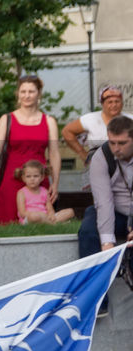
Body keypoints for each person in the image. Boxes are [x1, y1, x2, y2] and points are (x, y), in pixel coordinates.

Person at [0, 75, 62, 226]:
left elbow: (54, 153)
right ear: (18, 94)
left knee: (41, 224)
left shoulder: (49, 121)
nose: (27, 95)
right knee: (7, 224)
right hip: (11, 179)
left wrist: (56, 183)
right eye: (23, 91)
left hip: (39, 179)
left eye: (31, 91)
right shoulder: (6, 119)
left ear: (39, 93)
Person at [77, 115, 133, 262]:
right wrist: (107, 242)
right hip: (116, 212)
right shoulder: (101, 157)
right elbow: (104, 201)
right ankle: (93, 281)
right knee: (88, 231)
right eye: (112, 142)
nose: (116, 148)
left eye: (122, 143)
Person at [61, 84, 132, 177]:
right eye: (110, 102)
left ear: (122, 103)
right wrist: (83, 154)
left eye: (117, 101)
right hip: (98, 166)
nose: (114, 105)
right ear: (102, 104)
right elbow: (67, 132)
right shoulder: (90, 119)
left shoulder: (130, 119)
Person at [16, 159, 74, 225]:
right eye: (28, 176)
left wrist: (51, 215)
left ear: (42, 177)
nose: (32, 179)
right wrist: (39, 215)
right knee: (34, 216)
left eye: (36, 176)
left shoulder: (44, 191)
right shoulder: (21, 192)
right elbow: (22, 213)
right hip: (29, 218)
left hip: (46, 216)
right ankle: (55, 224)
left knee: (70, 212)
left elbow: (50, 208)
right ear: (23, 178)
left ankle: (50, 222)